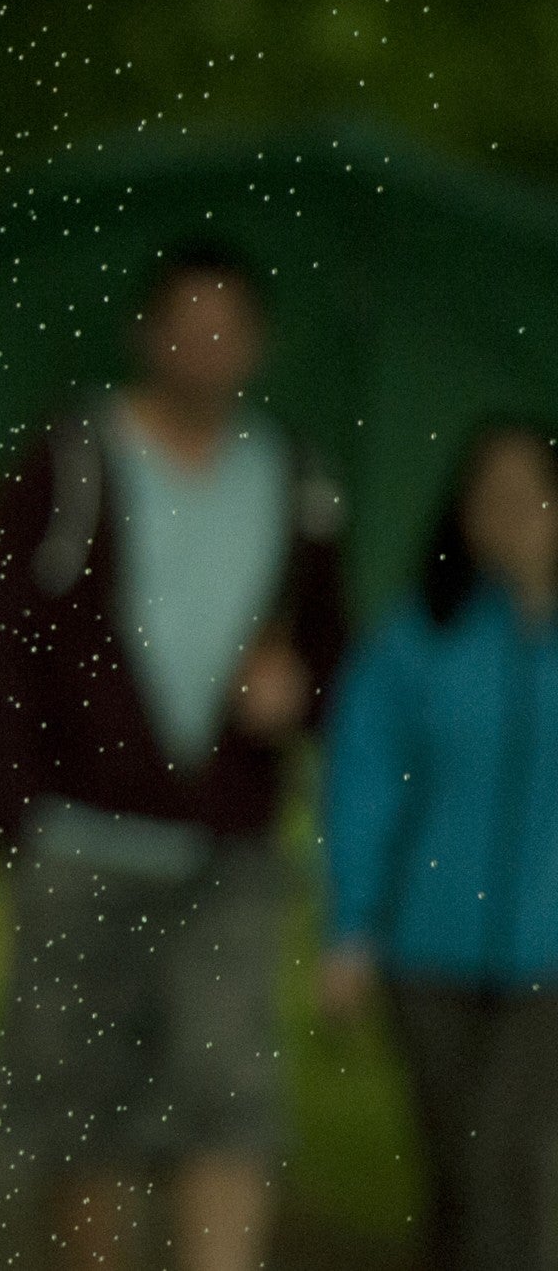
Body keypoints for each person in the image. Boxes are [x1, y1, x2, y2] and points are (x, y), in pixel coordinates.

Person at [0, 243, 347, 1271]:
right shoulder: (72, 459)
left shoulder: (297, 477)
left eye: (228, 328)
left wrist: (297, 690)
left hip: (231, 845)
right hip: (83, 835)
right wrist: (16, 805)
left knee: (230, 1100)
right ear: (148, 333)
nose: (206, 348)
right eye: (188, 324)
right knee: (80, 1110)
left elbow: (330, 646)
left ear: (256, 346)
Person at [319, 424, 558, 1271]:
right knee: (454, 1172)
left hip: (545, 962)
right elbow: (364, 784)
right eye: (490, 497)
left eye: (531, 493)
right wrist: (350, 926)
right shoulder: (418, 636)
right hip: (428, 953)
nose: (511, 515)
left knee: (506, 1155)